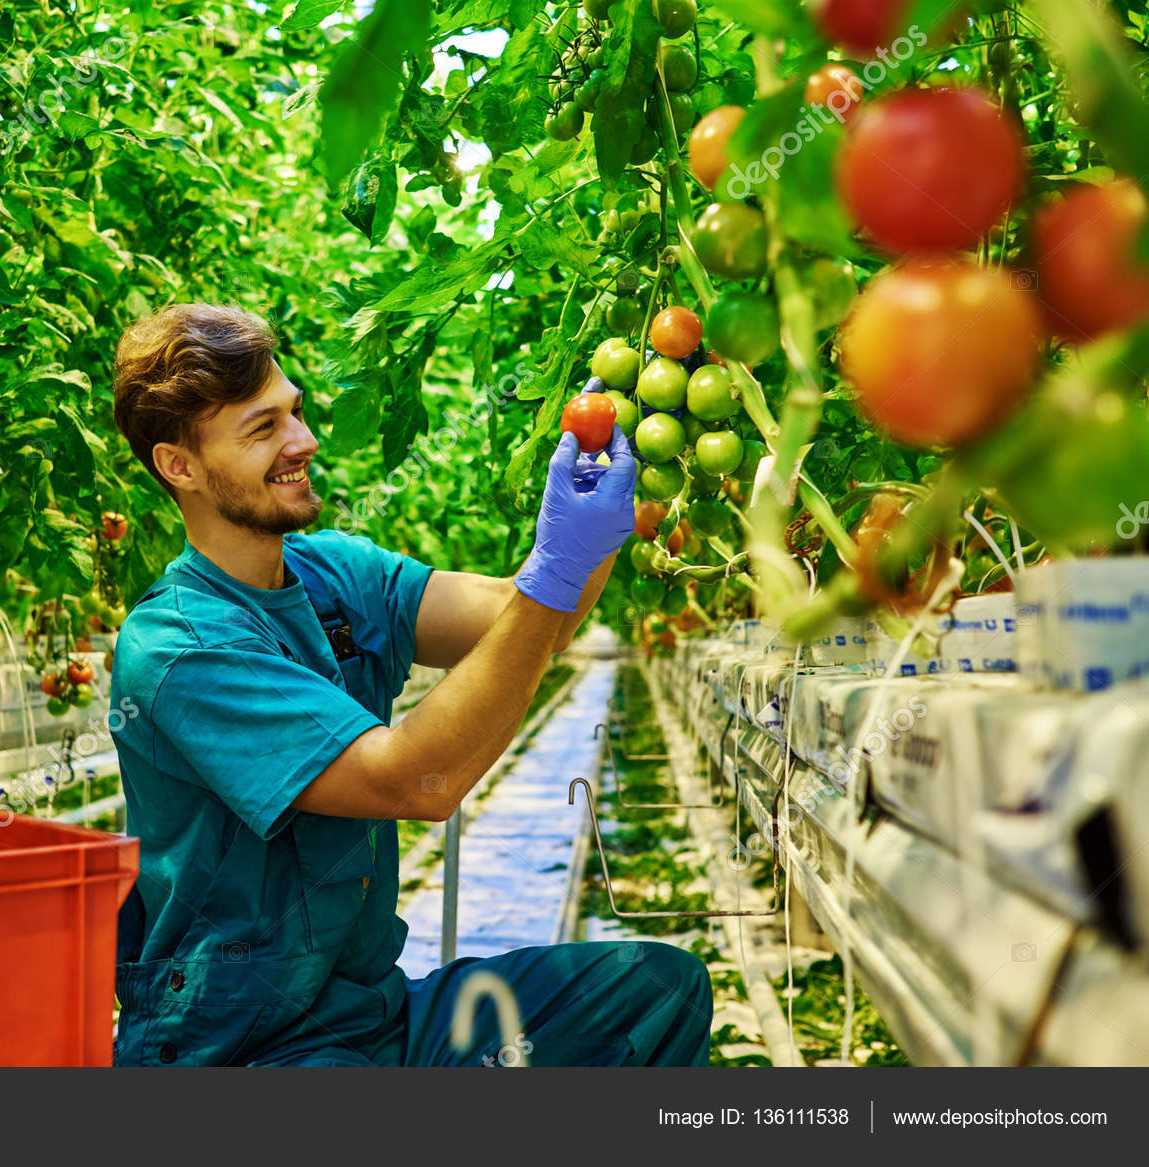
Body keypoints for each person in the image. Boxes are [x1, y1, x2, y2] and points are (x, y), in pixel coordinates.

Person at [106, 302, 712, 1067]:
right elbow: (412, 782)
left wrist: (597, 511)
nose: (303, 441)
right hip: (239, 1048)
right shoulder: (178, 644)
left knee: (657, 991)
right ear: (179, 465)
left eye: (293, 412)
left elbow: (525, 621)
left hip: (372, 1017)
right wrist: (560, 567)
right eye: (263, 429)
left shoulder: (334, 573)